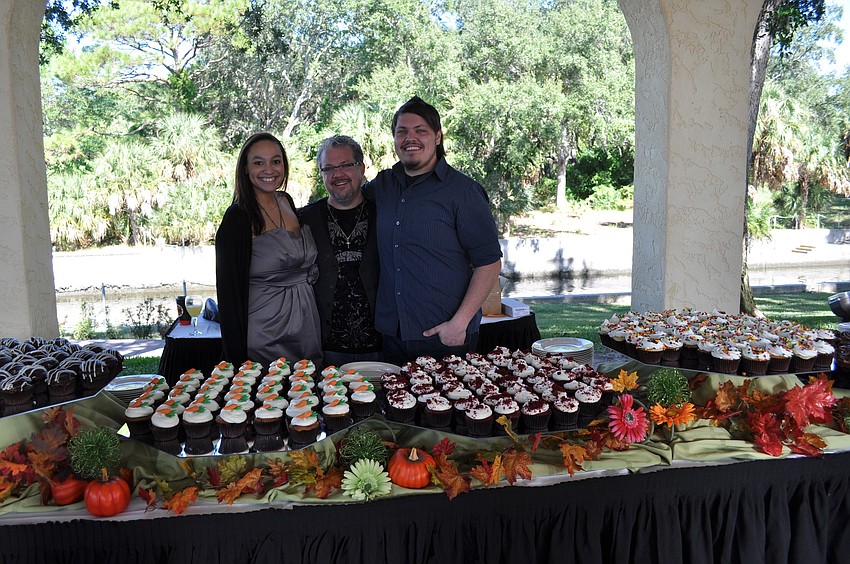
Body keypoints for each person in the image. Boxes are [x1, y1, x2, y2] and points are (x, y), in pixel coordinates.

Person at [365, 96, 502, 365]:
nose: (409, 138)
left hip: (444, 338)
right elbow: (344, 203)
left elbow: (489, 263)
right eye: (401, 131)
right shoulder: (382, 186)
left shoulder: (463, 192)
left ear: (437, 137)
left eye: (420, 131)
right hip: (392, 335)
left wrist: (458, 324)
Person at [215, 132, 322, 369]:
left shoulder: (287, 201)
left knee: (307, 398)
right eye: (258, 162)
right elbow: (228, 291)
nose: (269, 169)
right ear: (245, 168)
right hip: (265, 333)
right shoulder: (238, 217)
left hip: (306, 325)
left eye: (276, 161)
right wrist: (236, 356)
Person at [300, 135, 382, 367]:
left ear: (362, 168)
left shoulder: (386, 213)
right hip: (323, 350)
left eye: (346, 165)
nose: (338, 174)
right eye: (329, 168)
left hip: (383, 347)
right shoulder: (305, 219)